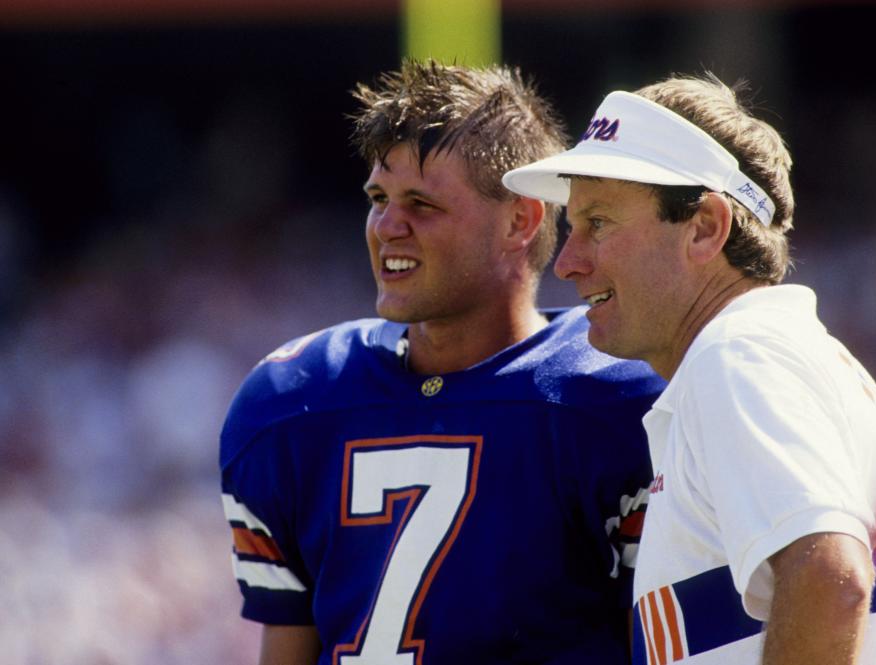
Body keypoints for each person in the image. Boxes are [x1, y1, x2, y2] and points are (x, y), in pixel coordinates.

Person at [219, 60, 665, 665]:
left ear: (519, 219)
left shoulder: (618, 399)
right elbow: (289, 644)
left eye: (421, 204)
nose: (387, 226)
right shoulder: (291, 401)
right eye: (379, 197)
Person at [503, 73, 876, 664]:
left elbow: (830, 578)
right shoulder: (788, 356)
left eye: (599, 223)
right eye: (571, 227)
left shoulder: (738, 356)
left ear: (706, 227)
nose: (568, 263)